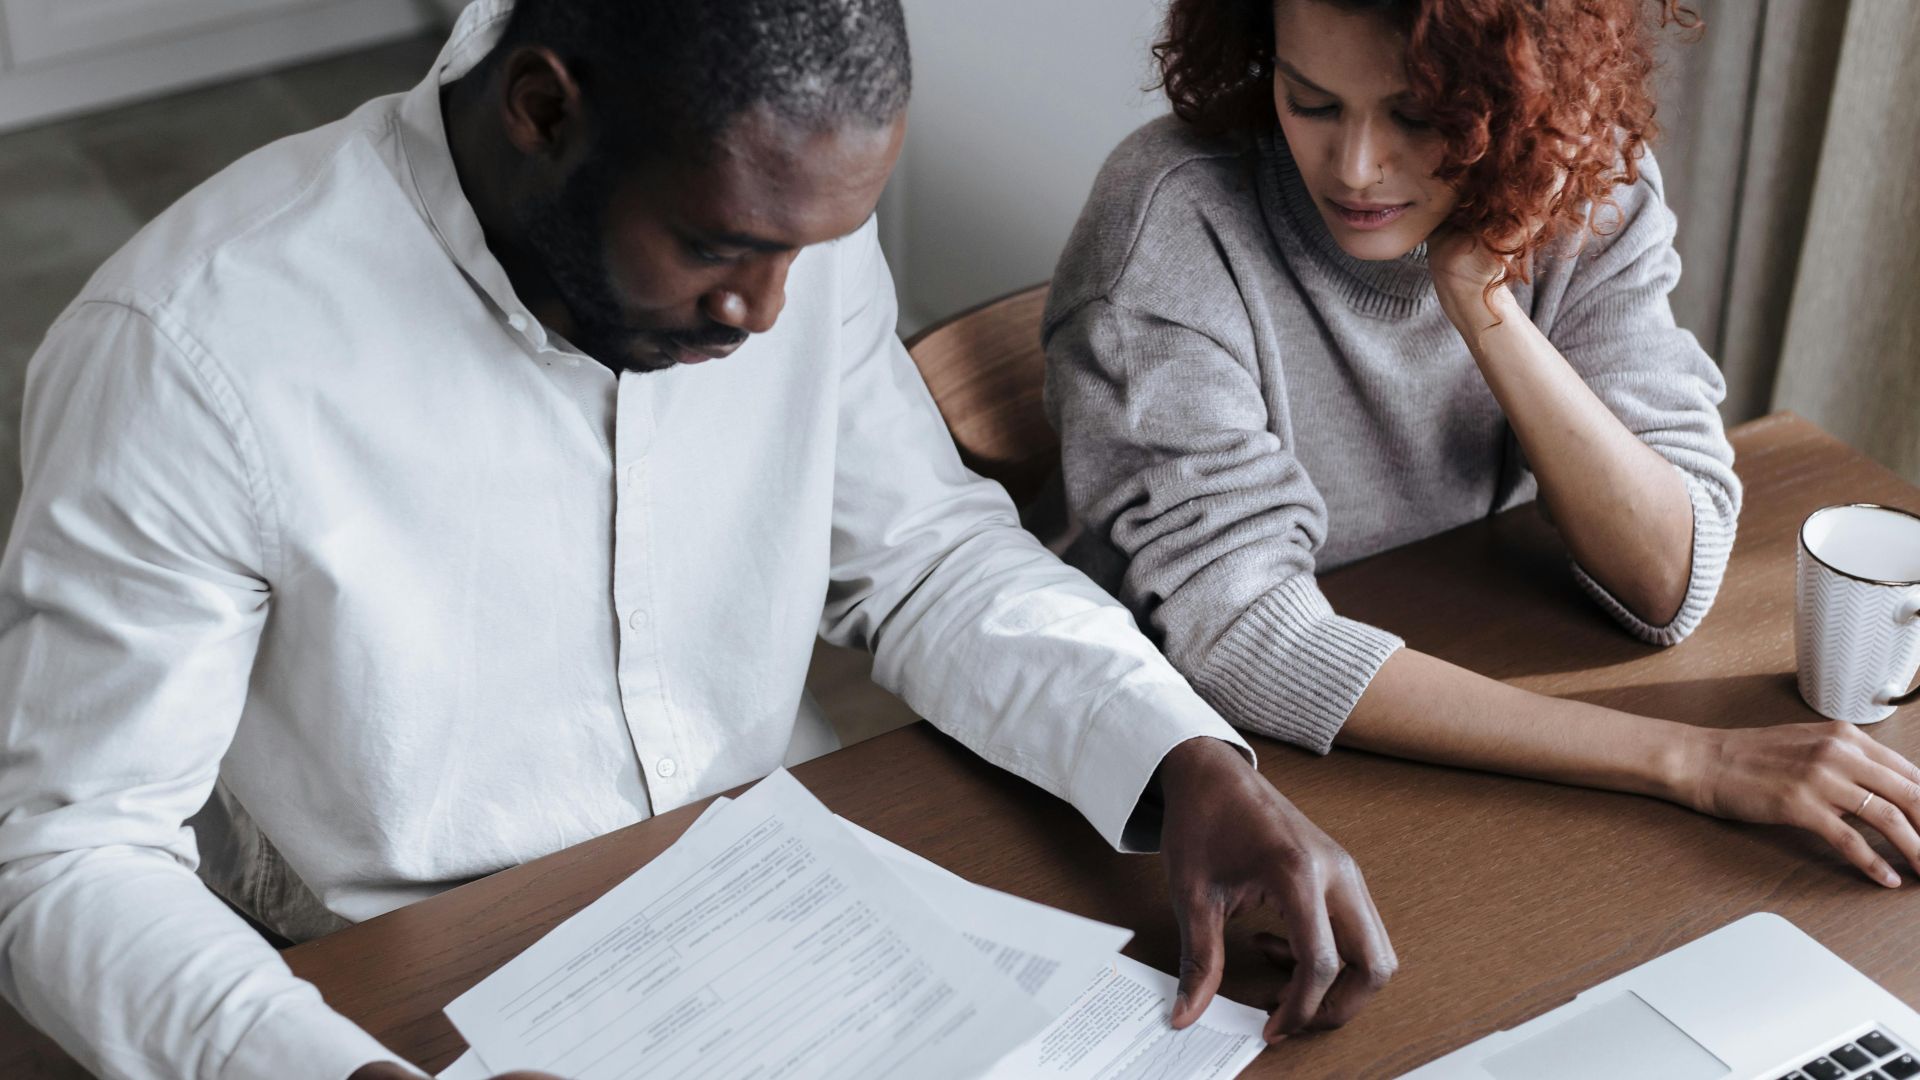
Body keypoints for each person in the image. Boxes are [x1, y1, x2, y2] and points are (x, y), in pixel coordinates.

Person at [0, 2, 1399, 1077]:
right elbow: (69, 857)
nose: (772, 315)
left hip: (776, 917)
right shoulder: (191, 353)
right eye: (722, 250)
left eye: (809, 253)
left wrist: (1182, 756)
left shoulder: (776, 210)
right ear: (544, 108)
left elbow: (920, 556)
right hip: (394, 982)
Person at [1044, 0, 1920, 898]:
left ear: (1518, 92)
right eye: (1310, 102)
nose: (1354, 167)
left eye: (1419, 118)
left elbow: (1668, 577)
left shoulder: (1576, 180)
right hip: (1188, 781)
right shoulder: (1169, 222)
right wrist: (1693, 762)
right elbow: (1245, 634)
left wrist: (1481, 299)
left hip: (1457, 704)